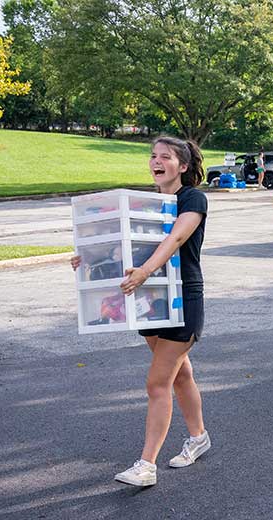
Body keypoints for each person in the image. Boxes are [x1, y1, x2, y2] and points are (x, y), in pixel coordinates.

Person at [71, 136, 211, 486]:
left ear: (182, 165)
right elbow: (123, 248)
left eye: (165, 157)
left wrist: (146, 270)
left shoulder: (191, 198)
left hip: (182, 300)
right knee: (180, 376)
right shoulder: (145, 203)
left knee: (157, 383)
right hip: (150, 301)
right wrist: (88, 257)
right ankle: (198, 438)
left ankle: (146, 465)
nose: (156, 161)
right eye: (152, 156)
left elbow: (175, 239)